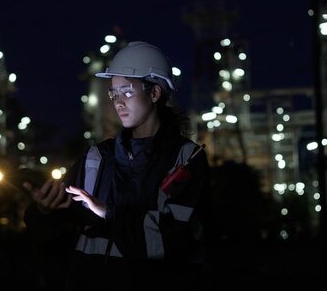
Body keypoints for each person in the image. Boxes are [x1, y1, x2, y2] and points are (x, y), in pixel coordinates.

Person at [23, 41, 210, 291]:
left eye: (127, 91)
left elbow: (177, 239)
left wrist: (107, 212)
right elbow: (53, 239)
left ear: (154, 93)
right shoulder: (95, 159)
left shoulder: (186, 158)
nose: (118, 102)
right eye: (113, 93)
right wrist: (44, 211)